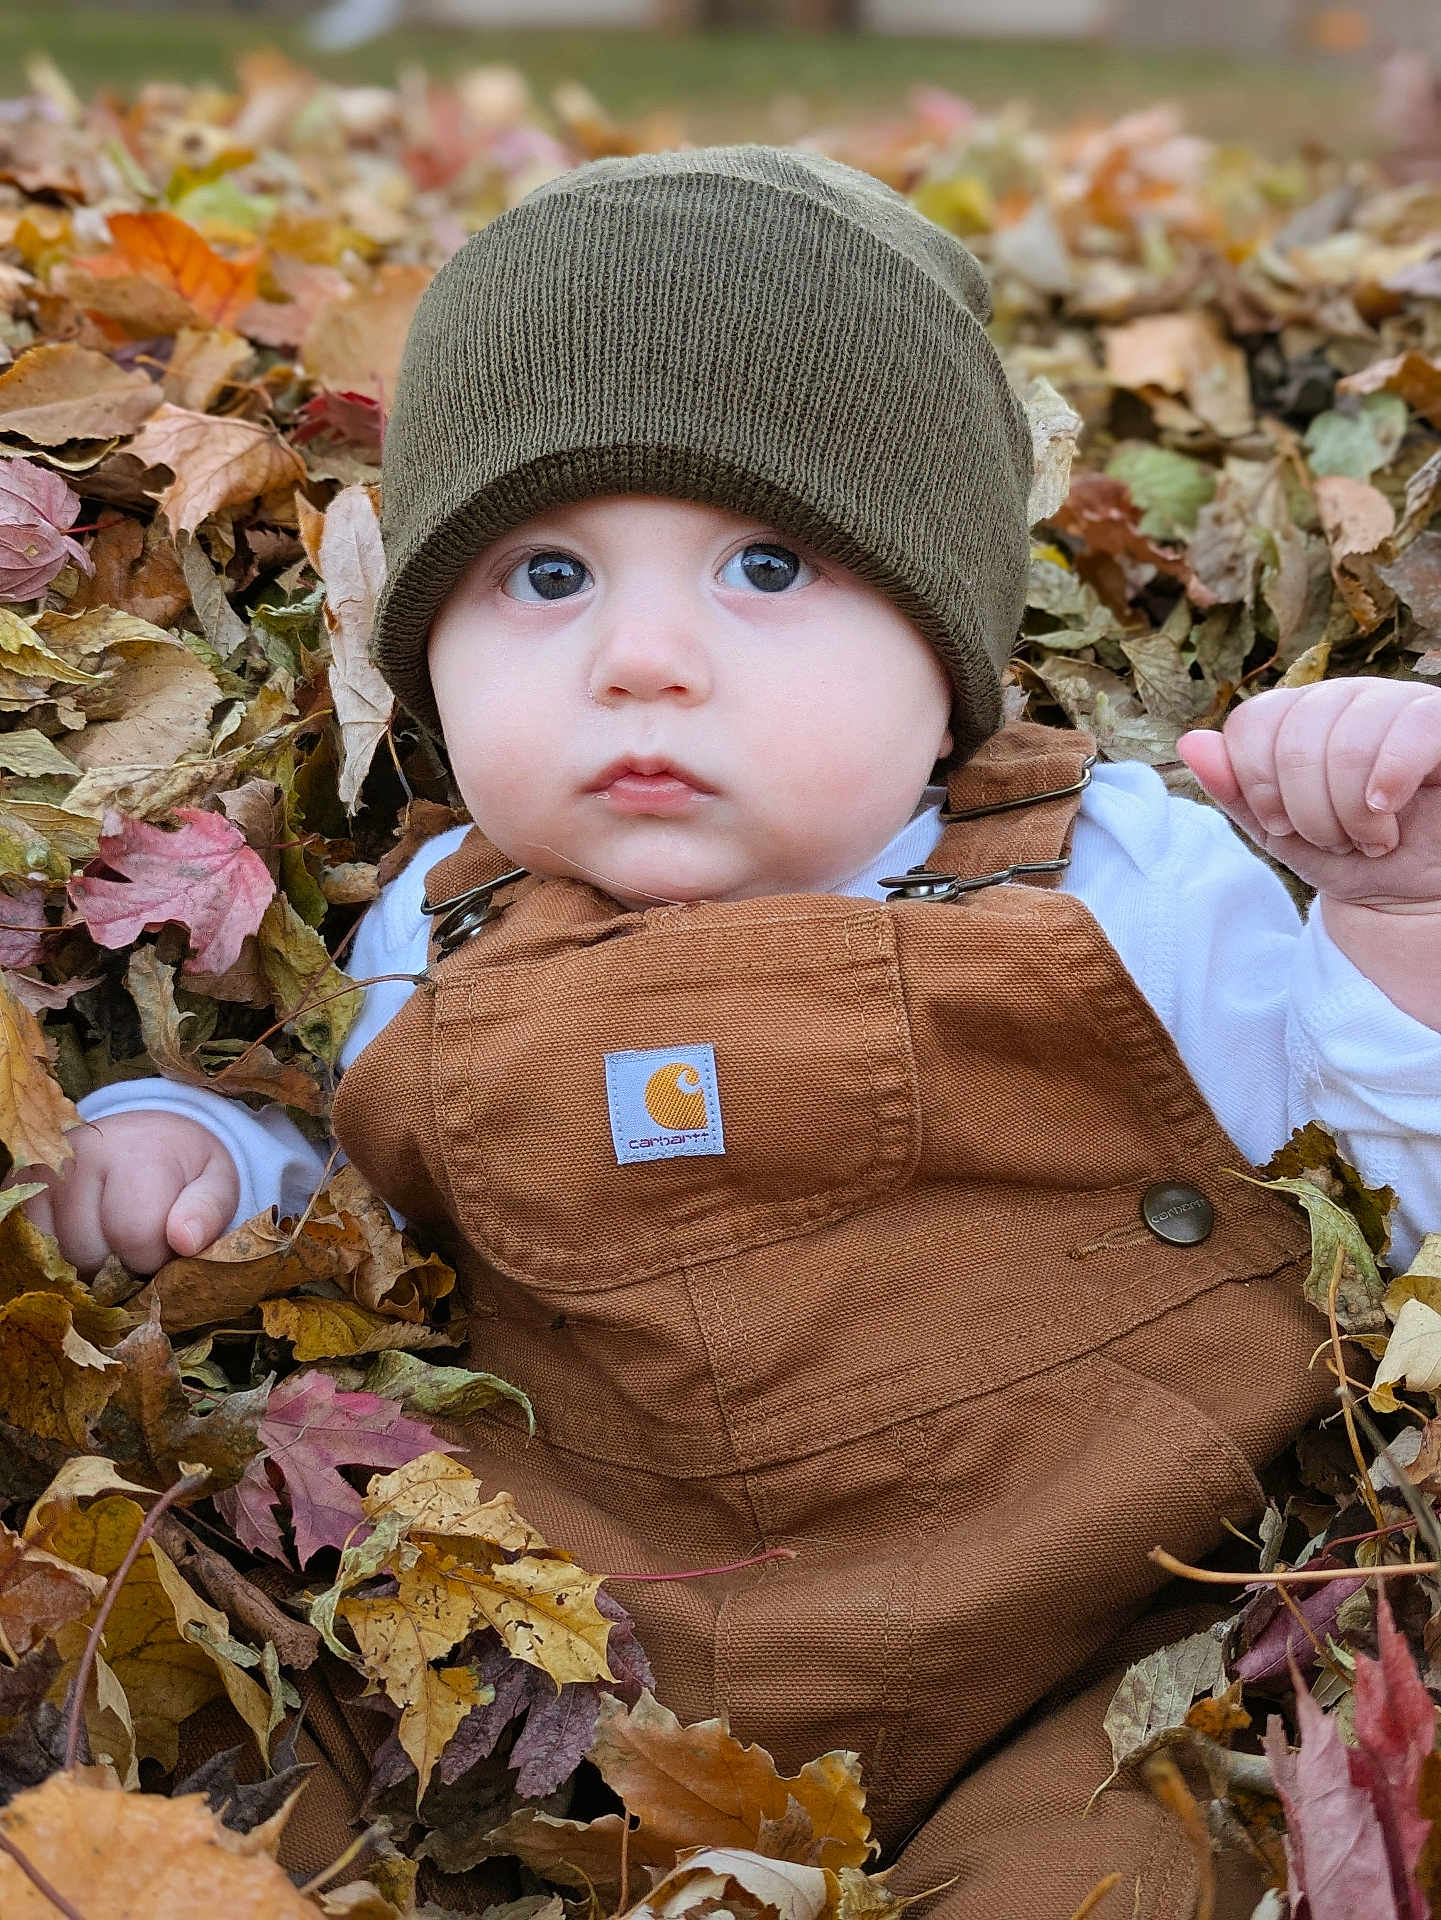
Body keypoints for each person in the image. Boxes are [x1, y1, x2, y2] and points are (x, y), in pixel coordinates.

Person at [22, 148, 1441, 1916]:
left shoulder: (1126, 876)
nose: (641, 658)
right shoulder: (430, 922)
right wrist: (198, 1150)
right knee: (226, 1803)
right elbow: (350, 1195)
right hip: (582, 1677)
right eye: (544, 578)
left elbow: (1378, 1201)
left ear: (949, 638)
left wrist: (1394, 933)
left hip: (1092, 1652)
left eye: (766, 565)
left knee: (1155, 1861)